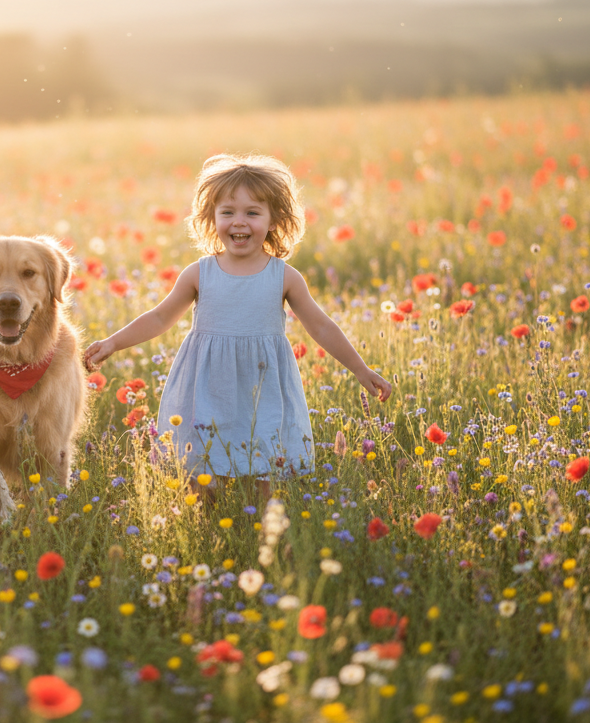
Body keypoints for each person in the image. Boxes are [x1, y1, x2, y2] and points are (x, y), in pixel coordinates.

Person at [84, 154, 392, 488]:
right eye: (227, 212)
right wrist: (113, 342)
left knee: (262, 474)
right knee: (203, 476)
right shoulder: (199, 273)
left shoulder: (284, 277)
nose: (239, 222)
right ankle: (208, 517)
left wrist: (360, 369)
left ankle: (259, 518)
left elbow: (321, 326)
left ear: (273, 220)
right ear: (212, 217)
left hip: (262, 387)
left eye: (252, 213)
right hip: (208, 386)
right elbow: (159, 317)